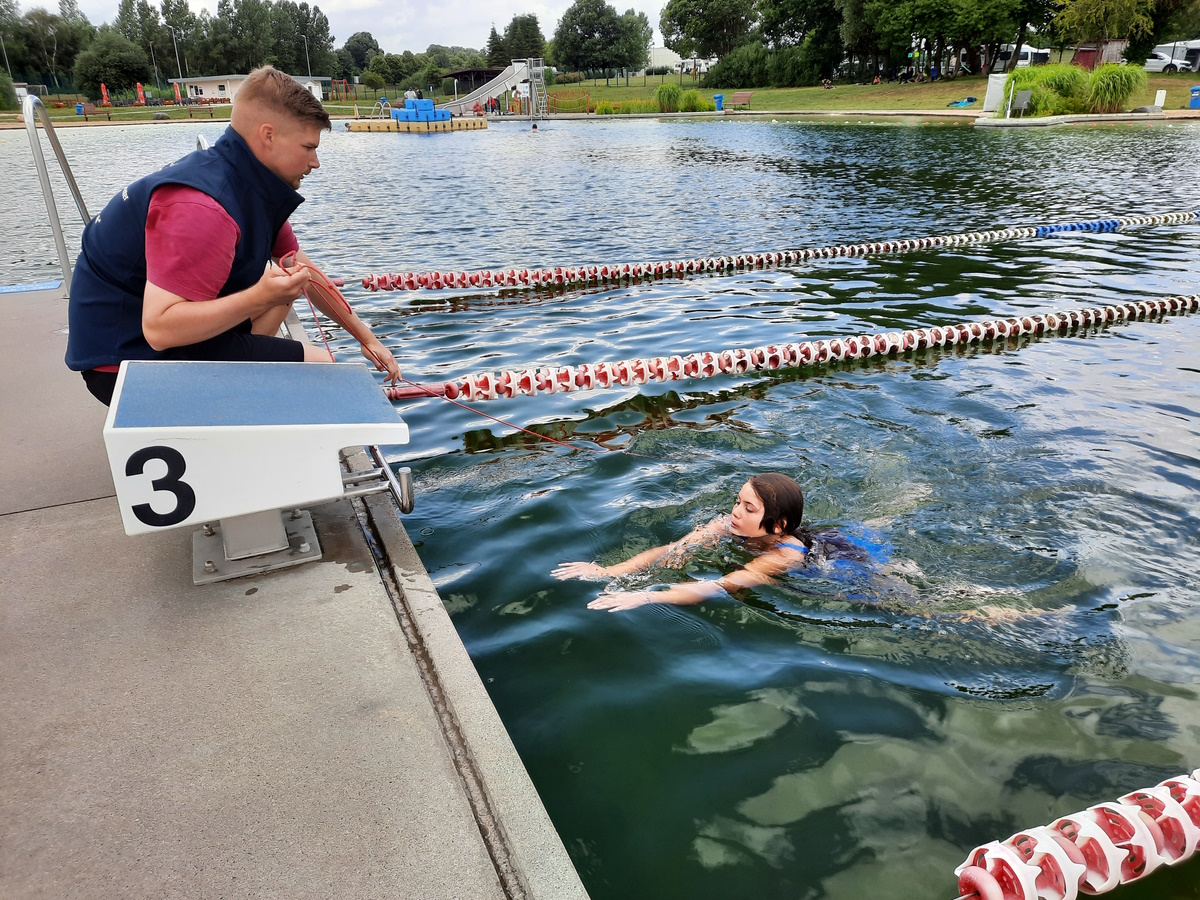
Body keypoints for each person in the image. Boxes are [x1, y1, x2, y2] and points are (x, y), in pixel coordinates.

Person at [65, 65, 400, 406]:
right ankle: (231, 398)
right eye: (308, 147)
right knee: (325, 368)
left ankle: (237, 379)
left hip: (156, 342)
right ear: (268, 135)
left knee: (285, 291)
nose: (315, 162)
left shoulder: (245, 181)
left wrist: (367, 338)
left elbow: (303, 269)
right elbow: (159, 330)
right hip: (126, 364)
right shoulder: (205, 208)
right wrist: (258, 297)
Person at [553, 473, 866, 612]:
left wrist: (648, 597)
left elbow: (720, 586)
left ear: (778, 525)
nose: (736, 512)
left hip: (840, 560)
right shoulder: (727, 526)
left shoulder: (783, 557)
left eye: (749, 509)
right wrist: (609, 571)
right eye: (737, 501)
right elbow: (672, 550)